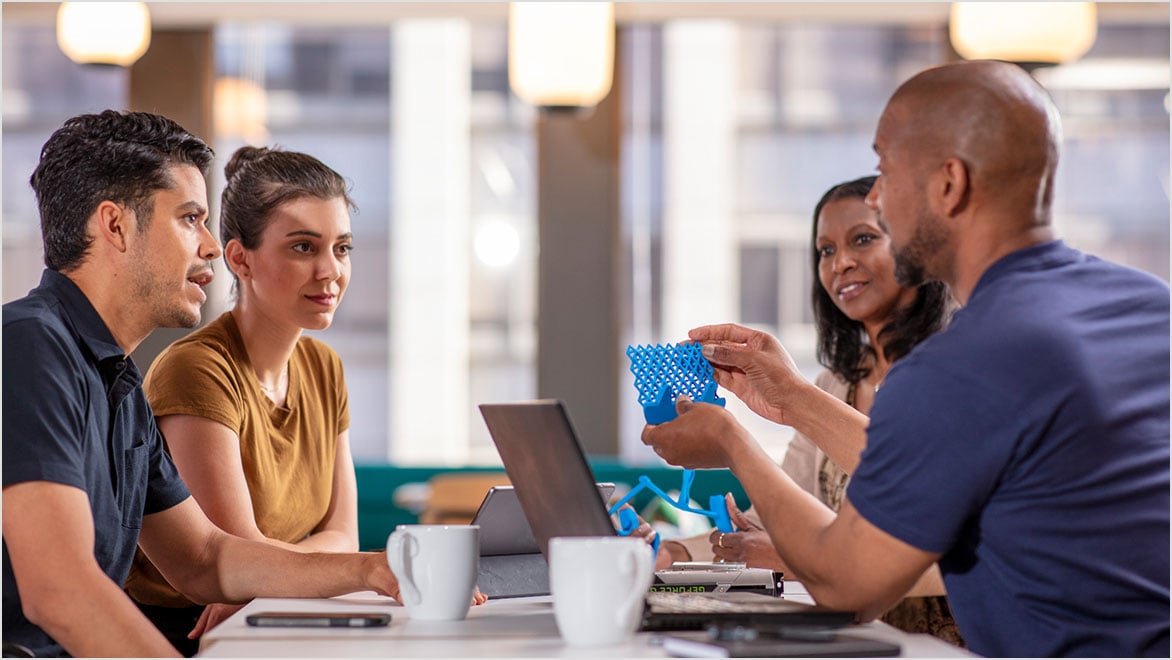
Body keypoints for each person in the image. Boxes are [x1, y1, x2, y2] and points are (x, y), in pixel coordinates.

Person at [641, 60, 1169, 657]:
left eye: (885, 169)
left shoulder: (960, 365)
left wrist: (731, 441)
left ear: (949, 184)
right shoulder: (1151, 305)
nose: (875, 195)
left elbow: (848, 587)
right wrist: (788, 397)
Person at [0, 111, 404, 657]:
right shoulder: (29, 347)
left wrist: (373, 568)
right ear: (115, 226)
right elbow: (60, 592)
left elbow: (206, 557)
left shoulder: (116, 379)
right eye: (191, 219)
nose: (212, 246)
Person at [660, 175, 962, 645]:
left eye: (863, 239)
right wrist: (674, 552)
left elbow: (946, 546)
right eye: (824, 251)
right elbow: (775, 520)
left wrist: (797, 556)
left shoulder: (961, 374)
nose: (841, 262)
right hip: (860, 641)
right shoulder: (836, 384)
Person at [123, 146, 360, 655]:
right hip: (186, 632)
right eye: (303, 247)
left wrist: (279, 572)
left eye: (341, 248)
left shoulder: (325, 368)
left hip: (283, 612)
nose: (329, 271)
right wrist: (294, 568)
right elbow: (234, 560)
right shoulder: (199, 368)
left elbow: (345, 536)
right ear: (238, 257)